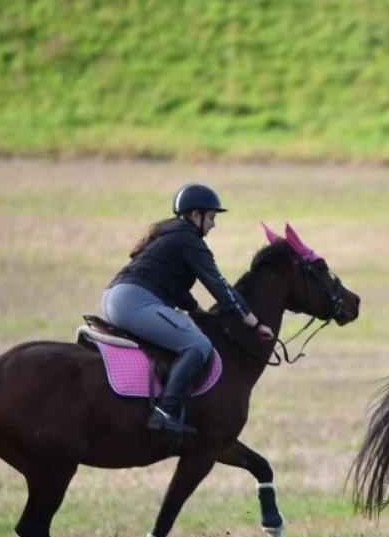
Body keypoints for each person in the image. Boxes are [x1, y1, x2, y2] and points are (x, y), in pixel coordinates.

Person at [101, 183, 275, 438]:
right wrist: (253, 322)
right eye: (212, 217)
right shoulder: (189, 241)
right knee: (198, 346)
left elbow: (176, 289)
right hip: (136, 303)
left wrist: (199, 312)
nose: (213, 224)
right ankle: (164, 412)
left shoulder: (169, 235)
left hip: (115, 299)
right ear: (196, 215)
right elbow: (219, 285)